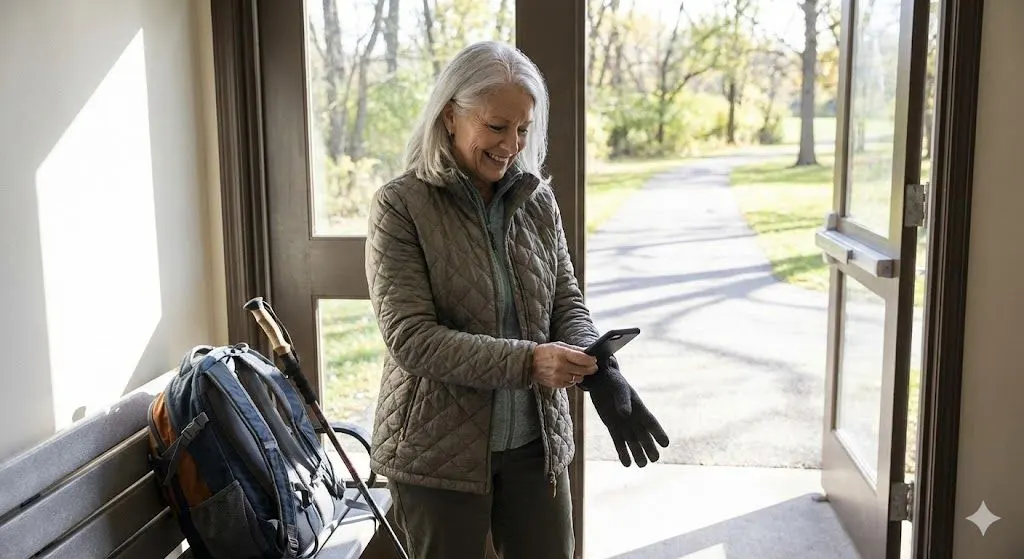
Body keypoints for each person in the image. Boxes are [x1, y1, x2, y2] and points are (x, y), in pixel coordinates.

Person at [364, 40, 669, 559]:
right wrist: (531, 362)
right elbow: (411, 340)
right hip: (438, 453)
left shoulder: (536, 198)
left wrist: (598, 366)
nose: (512, 144)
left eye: (524, 128)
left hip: (537, 445)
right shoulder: (401, 205)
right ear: (449, 118)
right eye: (497, 126)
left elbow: (565, 300)